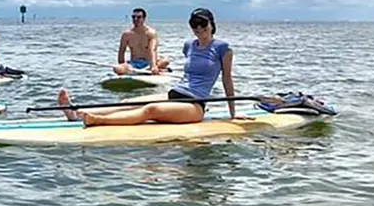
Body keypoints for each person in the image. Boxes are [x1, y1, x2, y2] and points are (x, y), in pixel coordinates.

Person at [58, 7, 252, 126]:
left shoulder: (223, 49)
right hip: (175, 93)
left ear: (211, 24)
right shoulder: (189, 45)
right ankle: (76, 113)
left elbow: (227, 80)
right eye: (194, 25)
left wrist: (233, 114)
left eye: (203, 24)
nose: (199, 29)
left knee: (151, 110)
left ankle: (96, 120)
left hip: (195, 105)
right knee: (127, 102)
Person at [112, 7, 171, 75]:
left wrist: (153, 66)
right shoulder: (126, 34)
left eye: (139, 17)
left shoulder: (150, 33)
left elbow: (152, 50)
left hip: (149, 62)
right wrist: (122, 66)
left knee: (166, 61)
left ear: (144, 19)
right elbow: (121, 52)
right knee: (117, 68)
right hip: (134, 63)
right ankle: (139, 70)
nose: (135, 19)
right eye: (133, 17)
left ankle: (151, 69)